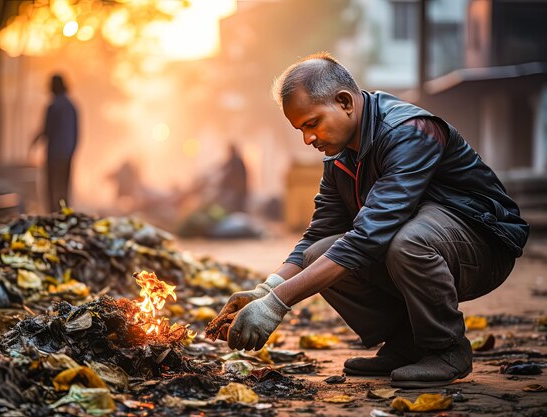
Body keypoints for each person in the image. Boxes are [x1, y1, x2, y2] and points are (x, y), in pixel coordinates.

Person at [220, 53, 529, 388]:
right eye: (300, 130)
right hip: (418, 242)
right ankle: (406, 342)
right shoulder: (339, 160)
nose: (308, 139)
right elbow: (316, 237)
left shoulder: (409, 131)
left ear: (344, 102)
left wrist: (276, 306)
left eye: (312, 123)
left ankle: (447, 348)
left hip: (483, 246)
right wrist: (265, 290)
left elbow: (367, 238)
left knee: (406, 241)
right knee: (317, 256)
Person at [32, 74, 78, 212]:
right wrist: (72, 150)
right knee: (63, 187)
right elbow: (76, 132)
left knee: (51, 188)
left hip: (54, 154)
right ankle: (64, 216)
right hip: (68, 153)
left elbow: (46, 130)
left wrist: (34, 142)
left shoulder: (53, 107)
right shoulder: (72, 107)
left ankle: (53, 216)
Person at [216, 143, 248, 213]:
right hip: (237, 191)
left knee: (237, 209)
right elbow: (223, 167)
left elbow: (234, 175)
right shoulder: (234, 160)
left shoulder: (236, 161)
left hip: (238, 191)